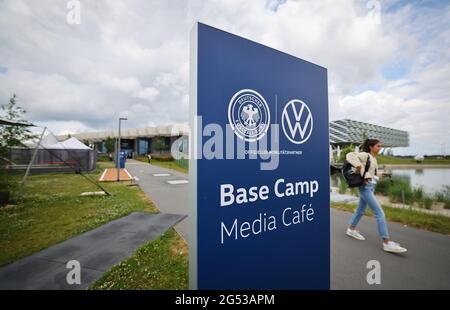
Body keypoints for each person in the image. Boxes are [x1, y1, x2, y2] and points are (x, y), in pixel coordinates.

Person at [345, 138, 407, 253]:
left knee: (360, 210)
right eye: (378, 146)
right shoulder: (365, 155)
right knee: (379, 213)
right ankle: (386, 242)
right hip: (365, 188)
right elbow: (349, 155)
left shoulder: (373, 159)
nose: (380, 148)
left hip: (370, 187)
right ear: (371, 147)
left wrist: (382, 174)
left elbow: (371, 173)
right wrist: (358, 166)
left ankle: (351, 229)